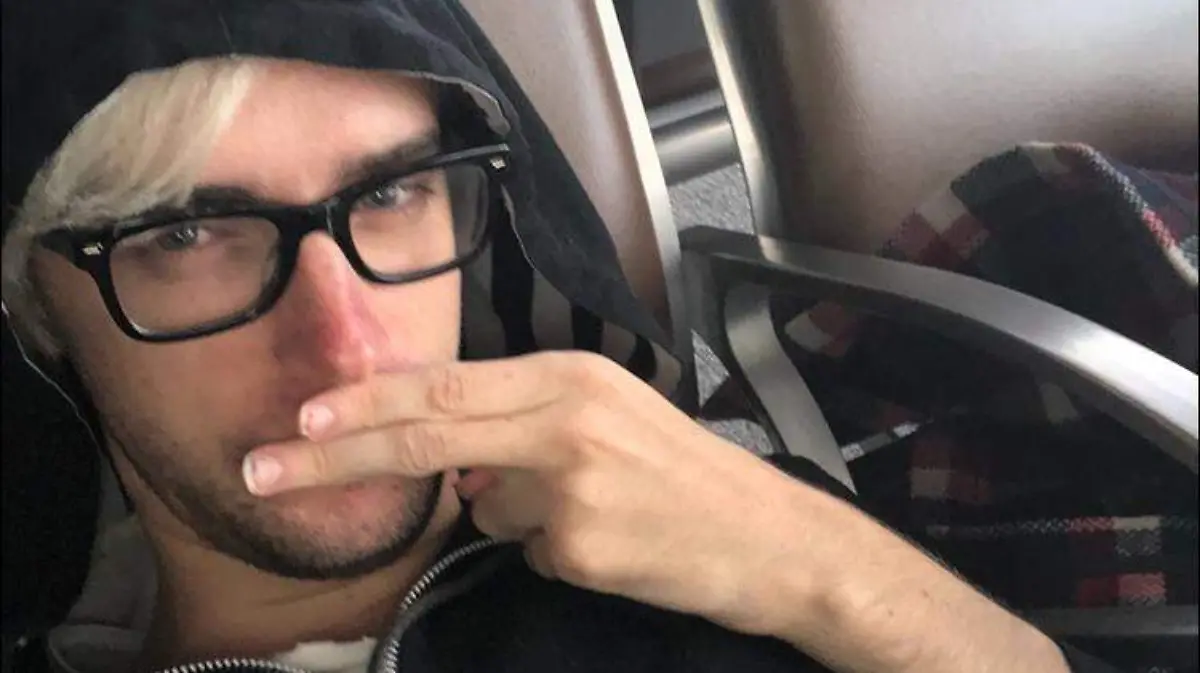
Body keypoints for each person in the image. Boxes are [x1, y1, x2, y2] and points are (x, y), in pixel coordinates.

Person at [0, 1, 1113, 672]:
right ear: (36, 301)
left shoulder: (719, 546)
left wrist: (822, 570)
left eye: (390, 195)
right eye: (186, 235)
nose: (347, 348)